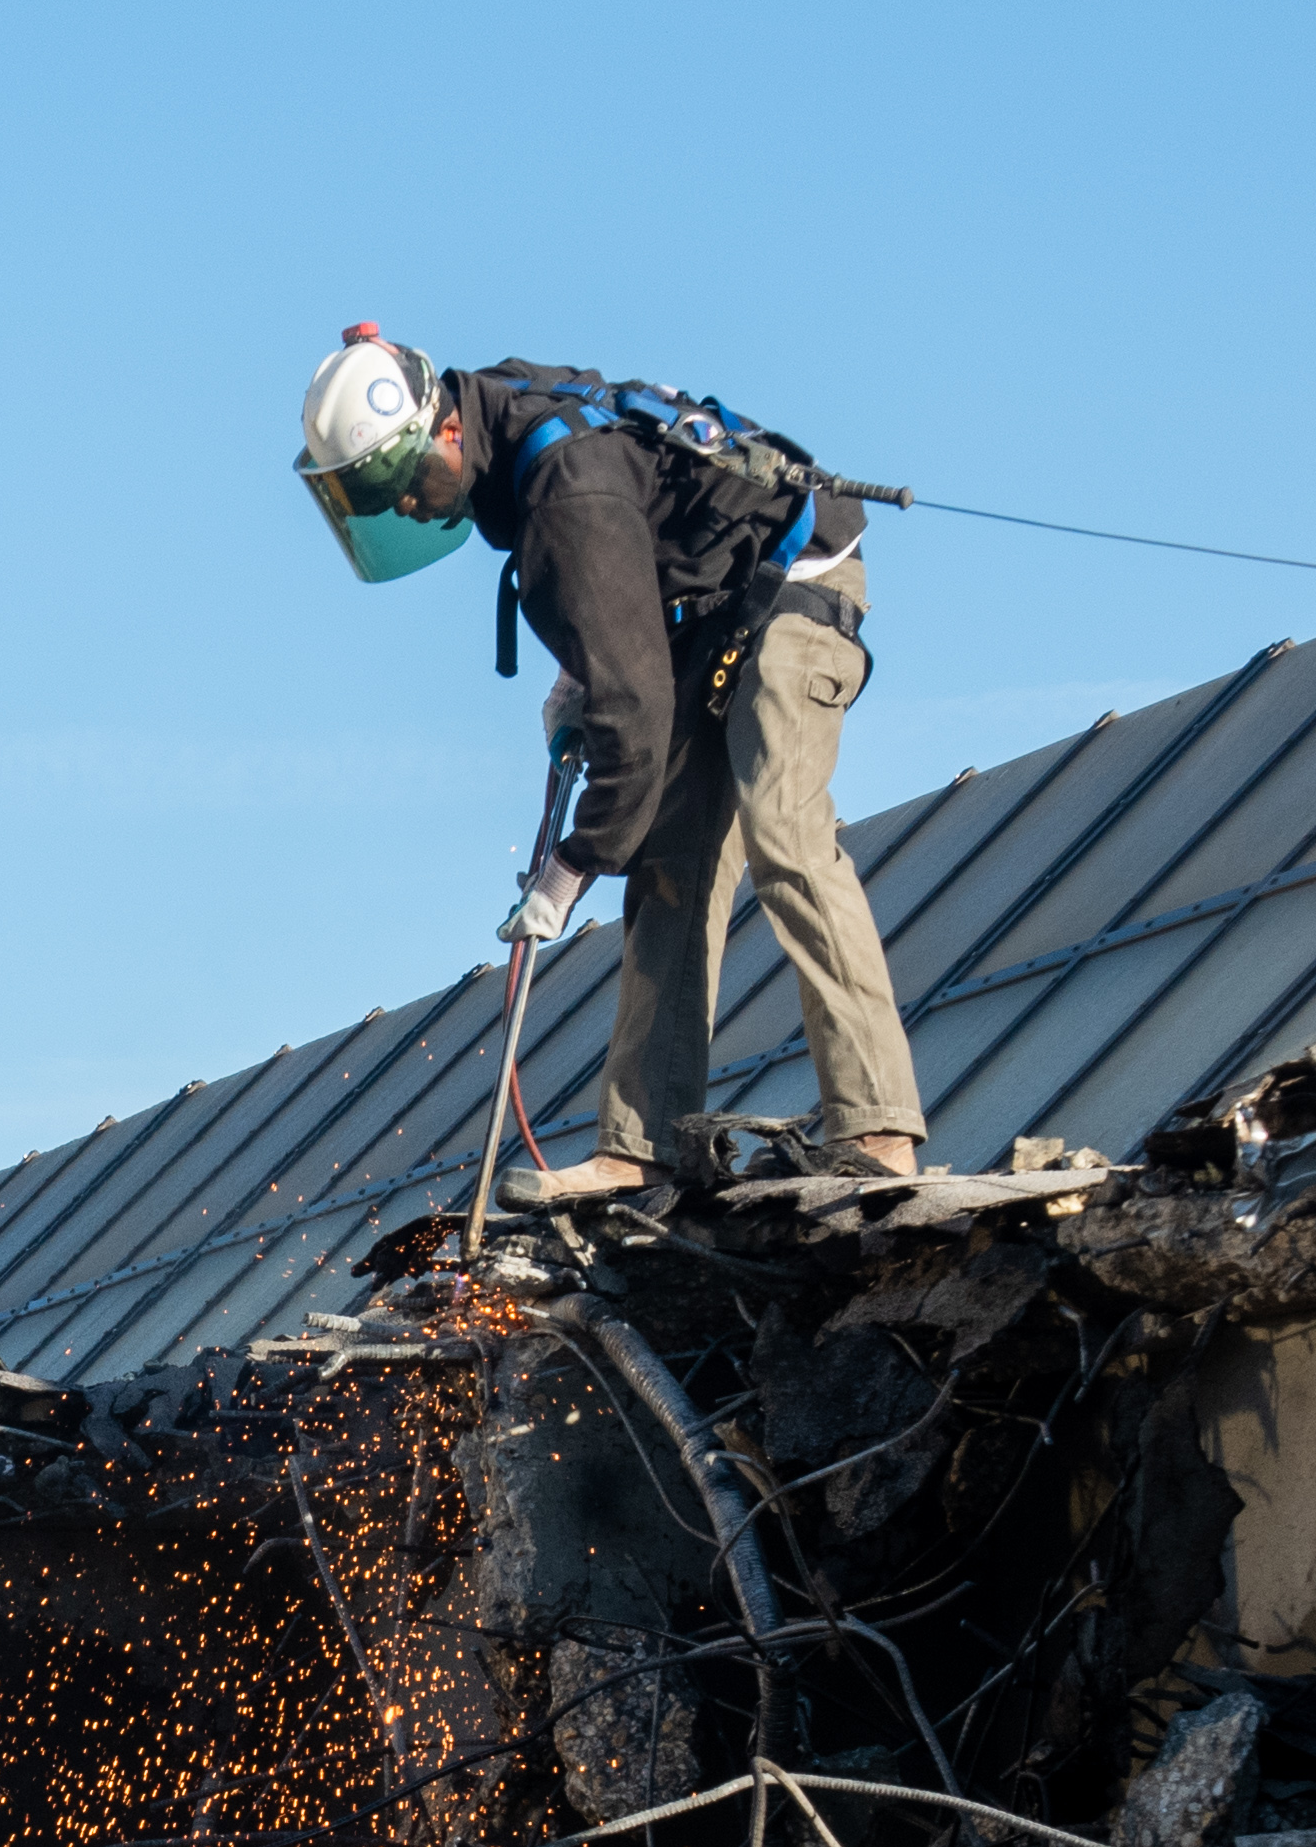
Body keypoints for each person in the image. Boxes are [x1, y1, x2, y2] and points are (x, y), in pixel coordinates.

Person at [298, 328, 929, 1202]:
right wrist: (581, 672)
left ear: (440, 432)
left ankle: (877, 1129)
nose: (401, 506)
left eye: (398, 482)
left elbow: (631, 722)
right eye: (371, 497)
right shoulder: (506, 425)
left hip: (795, 585)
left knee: (780, 822)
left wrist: (567, 870)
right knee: (671, 865)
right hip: (711, 608)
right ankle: (642, 1150)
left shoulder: (562, 493)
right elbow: (622, 576)